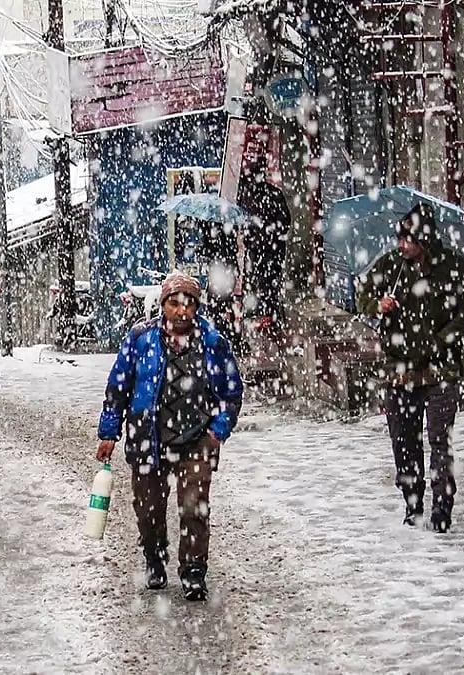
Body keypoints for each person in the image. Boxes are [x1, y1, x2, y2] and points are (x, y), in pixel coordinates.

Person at [96, 272, 243, 601]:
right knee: (148, 510)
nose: (181, 311)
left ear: (196, 307)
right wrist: (109, 431)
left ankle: (193, 571)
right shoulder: (141, 339)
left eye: (188, 304)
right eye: (174, 304)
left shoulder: (212, 341)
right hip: (149, 437)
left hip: (196, 440)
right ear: (163, 305)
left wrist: (217, 431)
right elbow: (118, 388)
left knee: (194, 508)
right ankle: (154, 557)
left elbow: (231, 393)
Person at [356, 203, 464, 532]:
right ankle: (412, 501)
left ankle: (442, 506)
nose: (401, 246)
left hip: (442, 371)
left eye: (407, 240)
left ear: (423, 240)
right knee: (404, 439)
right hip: (399, 371)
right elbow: (363, 295)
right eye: (398, 240)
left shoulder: (453, 267)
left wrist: (442, 341)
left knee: (440, 440)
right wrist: (377, 305)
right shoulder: (392, 266)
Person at [237, 160, 289, 330]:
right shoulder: (252, 195)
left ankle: (269, 318)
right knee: (262, 284)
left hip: (268, 251)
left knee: (266, 284)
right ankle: (266, 317)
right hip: (260, 250)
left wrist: (266, 235)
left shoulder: (265, 195)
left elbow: (284, 222)